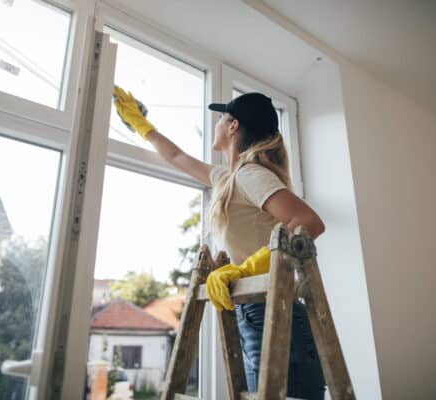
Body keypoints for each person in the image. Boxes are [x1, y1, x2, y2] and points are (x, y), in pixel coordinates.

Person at [113, 85, 326, 399]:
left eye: (220, 118)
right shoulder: (228, 178)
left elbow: (309, 223)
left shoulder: (250, 175)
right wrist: (141, 125)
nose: (216, 124)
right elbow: (176, 156)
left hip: (274, 312)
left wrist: (245, 270)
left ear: (233, 125)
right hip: (259, 310)